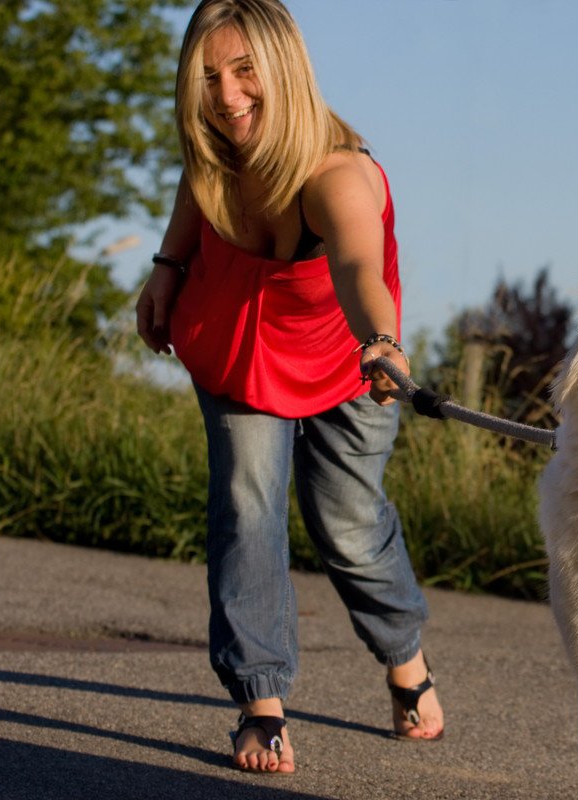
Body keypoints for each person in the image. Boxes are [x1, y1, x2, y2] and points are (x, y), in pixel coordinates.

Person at [135, 0, 443, 773]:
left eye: (245, 73)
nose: (228, 96)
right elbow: (197, 183)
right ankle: (260, 701)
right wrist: (167, 270)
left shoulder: (337, 174)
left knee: (346, 523)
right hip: (237, 345)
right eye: (208, 77)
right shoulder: (219, 145)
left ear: (285, 70)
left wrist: (381, 340)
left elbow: (359, 267)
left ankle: (404, 655)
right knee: (247, 508)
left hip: (347, 359)